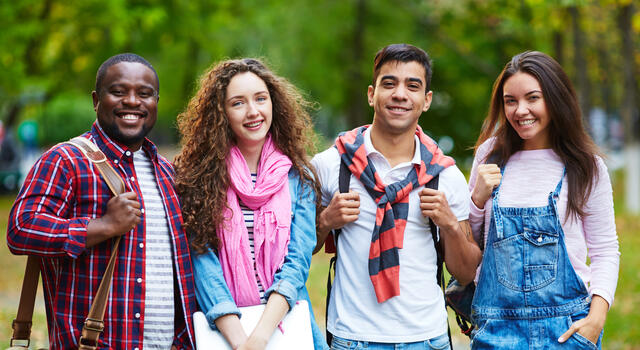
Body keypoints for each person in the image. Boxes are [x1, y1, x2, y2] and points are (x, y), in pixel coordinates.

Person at [7, 53, 197, 349]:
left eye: (144, 94)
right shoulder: (66, 160)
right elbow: (22, 229)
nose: (133, 101)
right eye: (118, 92)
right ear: (97, 100)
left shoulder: (167, 172)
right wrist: (102, 226)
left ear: (155, 102)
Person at [312, 43, 482, 350]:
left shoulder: (445, 176)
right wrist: (325, 220)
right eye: (388, 83)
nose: (400, 94)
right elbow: (294, 250)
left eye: (412, 86)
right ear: (371, 94)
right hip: (353, 338)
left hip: (427, 339)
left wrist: (450, 226)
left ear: (426, 100)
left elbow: (466, 272)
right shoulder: (330, 165)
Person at [468, 51, 620, 349]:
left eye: (532, 98)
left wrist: (596, 319)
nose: (520, 110)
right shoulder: (489, 156)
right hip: (497, 330)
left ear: (555, 98)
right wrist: (476, 199)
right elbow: (471, 245)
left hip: (567, 330)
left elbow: (605, 250)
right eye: (510, 101)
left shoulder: (585, 166)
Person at [174, 58, 328, 350]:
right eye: (238, 103)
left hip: (288, 327)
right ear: (221, 113)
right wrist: (240, 341)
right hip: (221, 333)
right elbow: (203, 264)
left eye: (261, 98)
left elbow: (298, 261)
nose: (253, 111)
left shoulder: (299, 176)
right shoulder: (198, 178)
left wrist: (260, 336)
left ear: (274, 103)